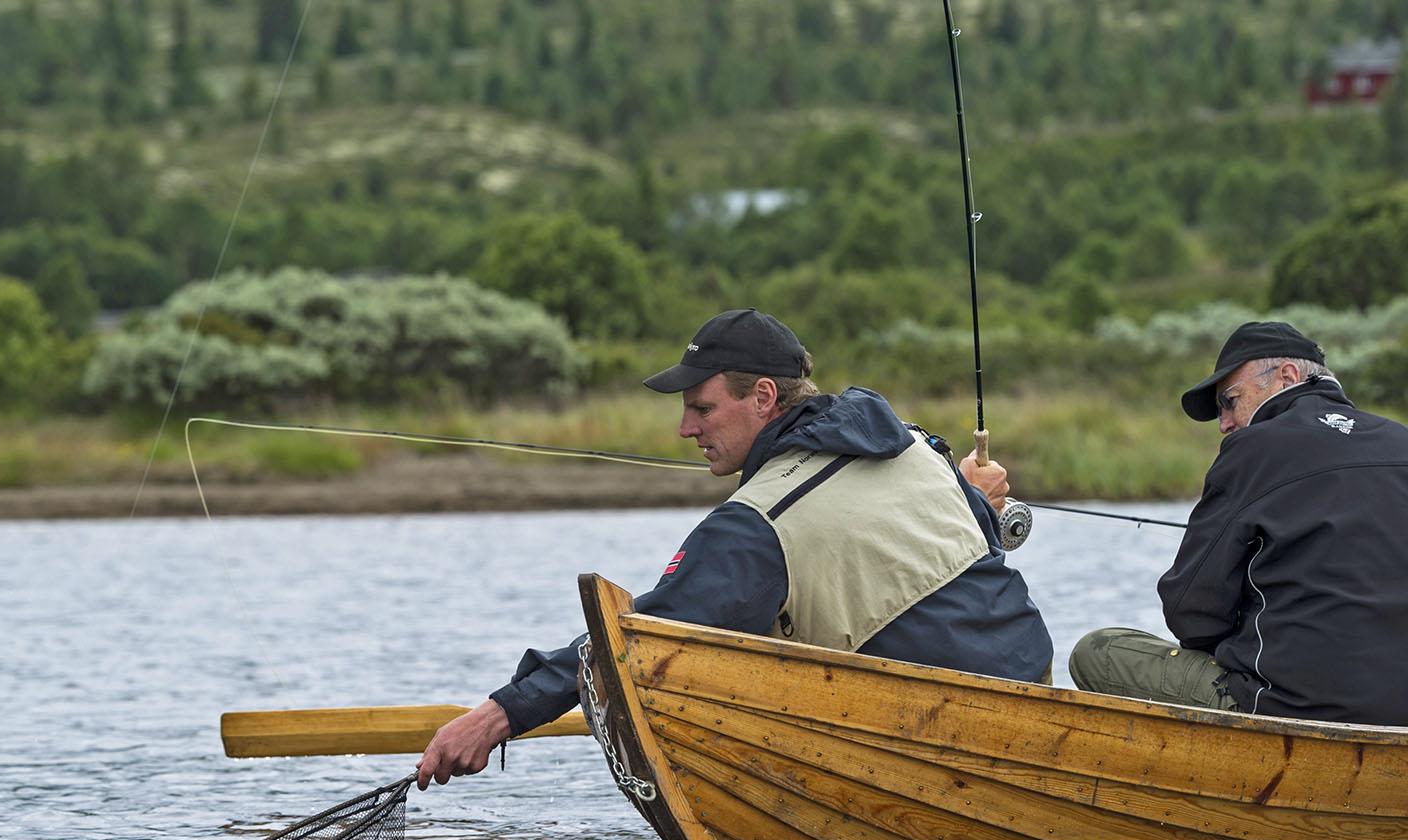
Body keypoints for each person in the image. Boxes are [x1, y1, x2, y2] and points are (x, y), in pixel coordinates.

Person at [416, 309, 1053, 789]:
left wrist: (500, 714)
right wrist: (976, 498)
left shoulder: (752, 524)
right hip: (1036, 695)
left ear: (764, 397)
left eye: (702, 408)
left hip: (938, 746)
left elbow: (633, 639)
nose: (686, 429)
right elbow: (972, 535)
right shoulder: (915, 446)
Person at [1068, 321, 1408, 724]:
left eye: (1229, 400)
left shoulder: (1251, 449)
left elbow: (1190, 613)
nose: (1224, 423)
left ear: (1288, 377)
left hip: (1287, 707)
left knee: (1098, 652)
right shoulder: (1400, 440)